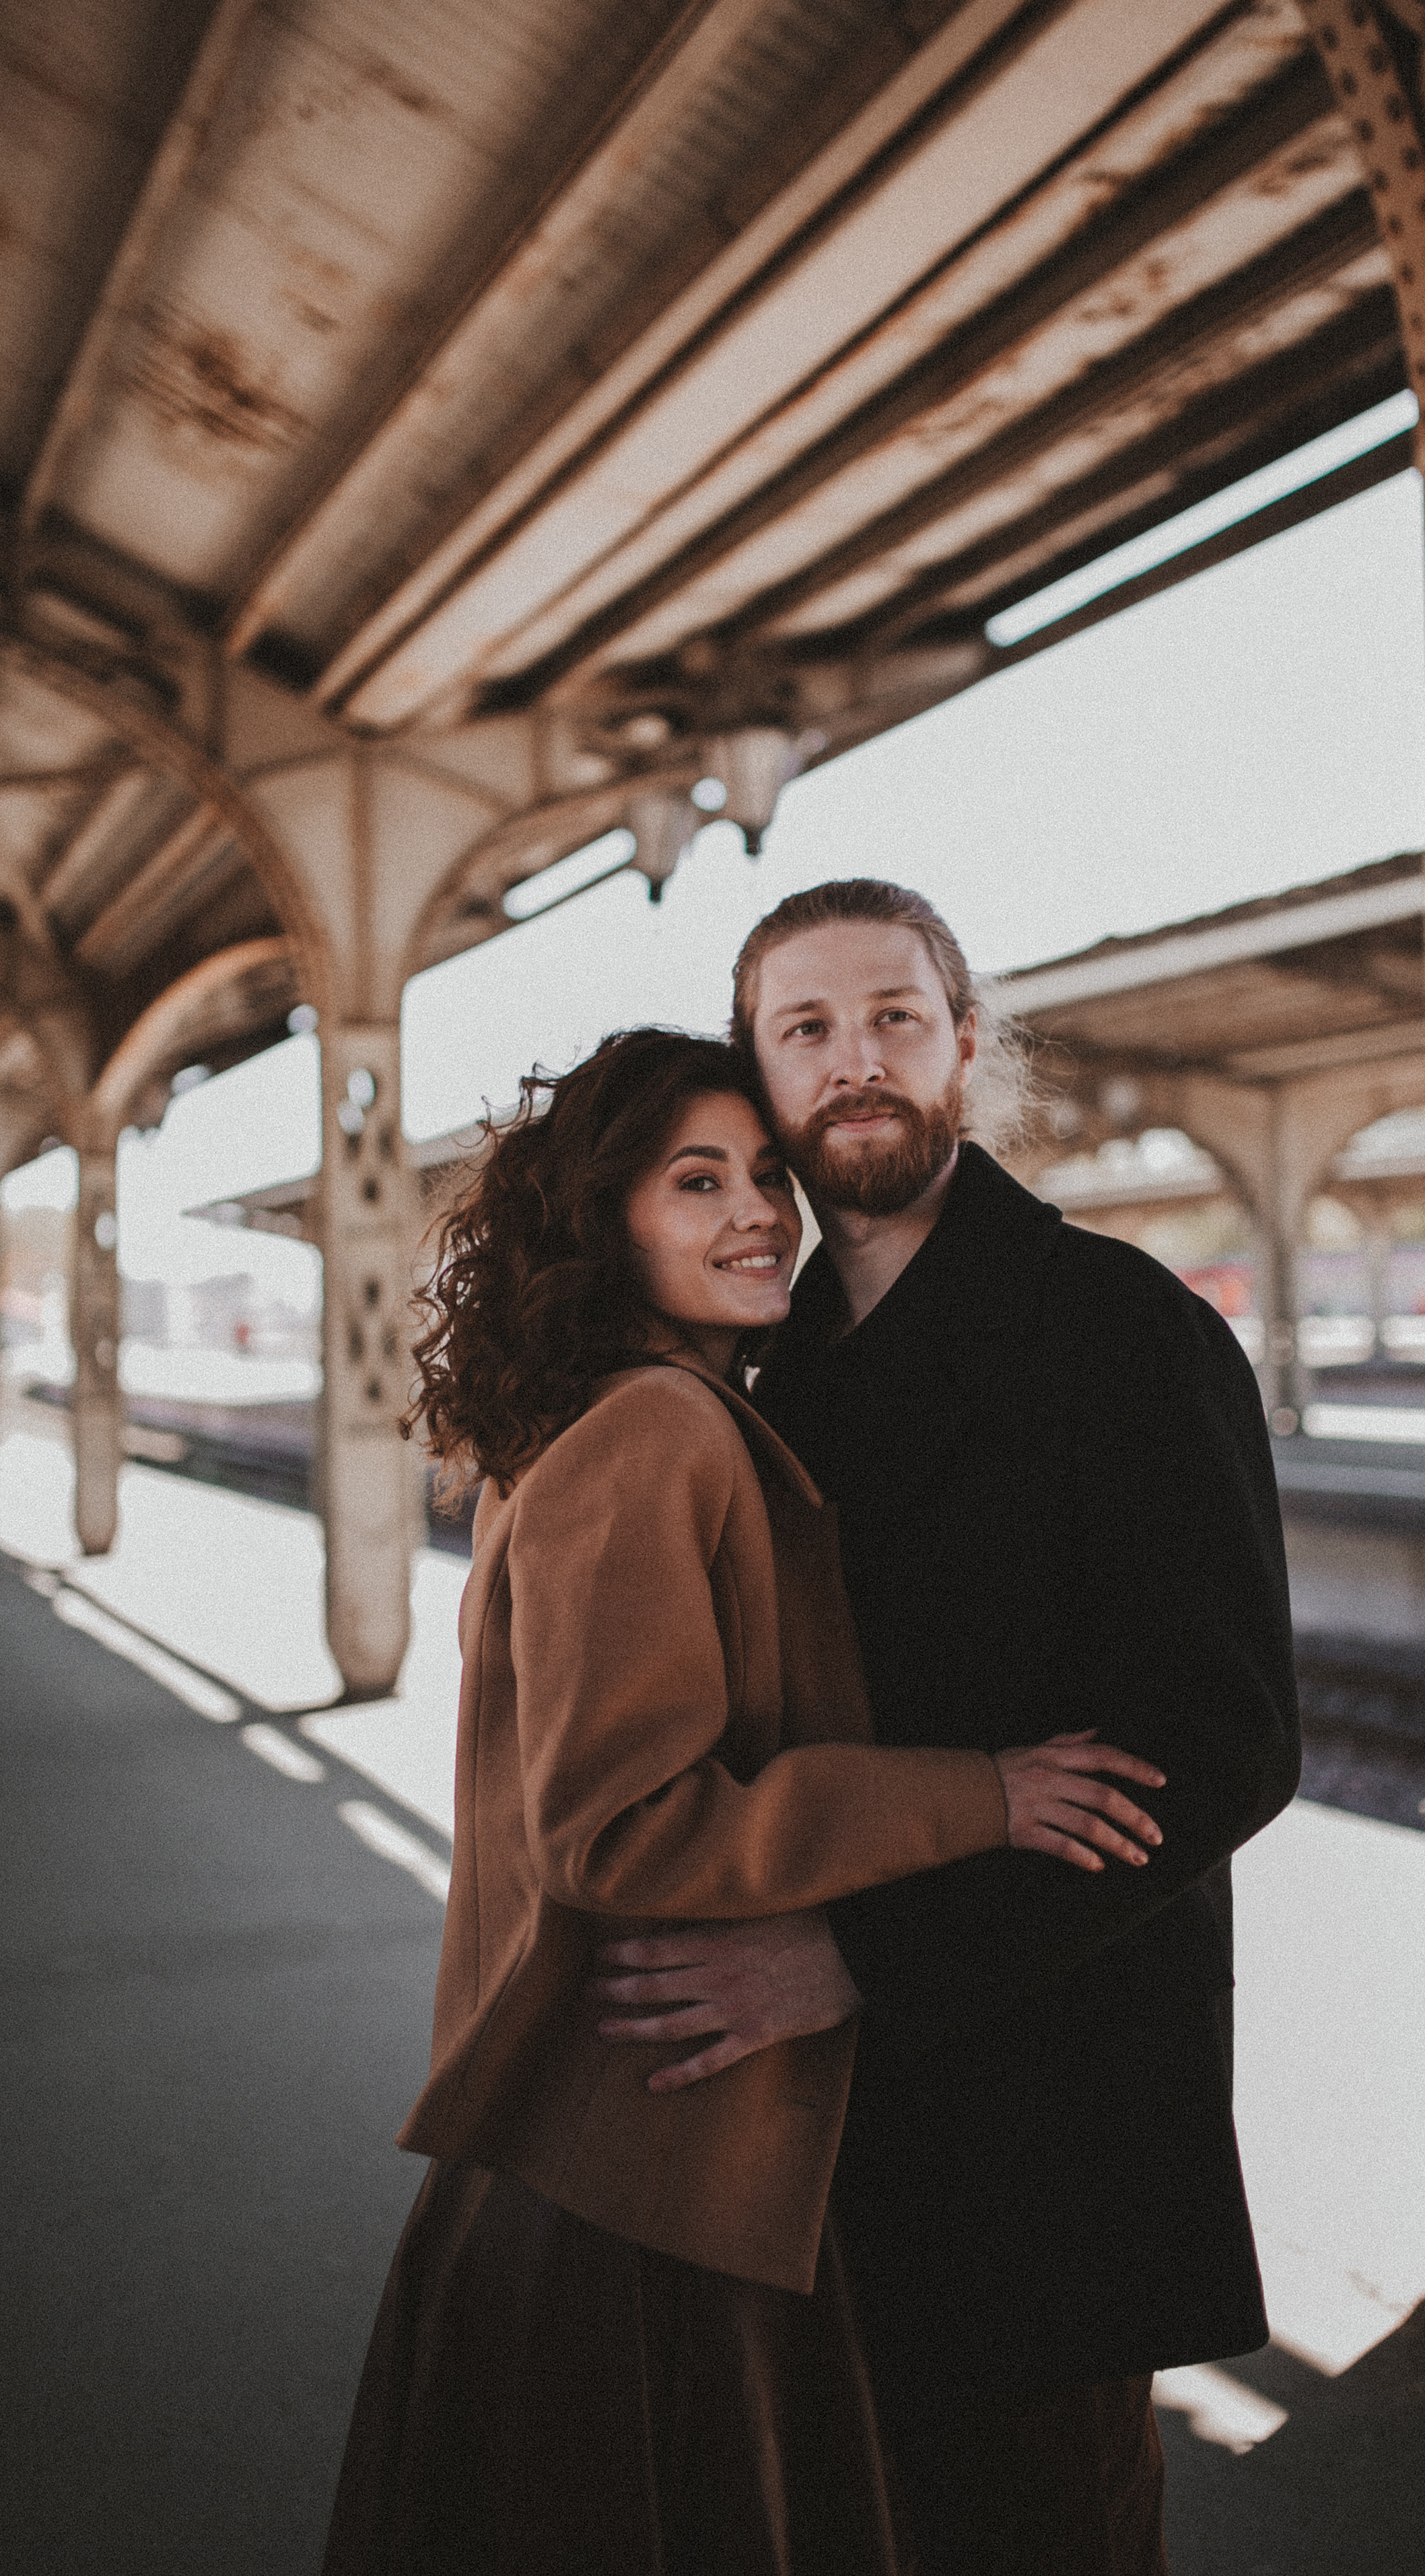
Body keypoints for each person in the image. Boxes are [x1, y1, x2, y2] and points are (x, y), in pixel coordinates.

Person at [321, 1026, 1169, 2576]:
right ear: (605, 1219)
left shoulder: (610, 1418)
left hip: (603, 2152)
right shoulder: (652, 1432)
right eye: (694, 1180)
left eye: (768, 1175)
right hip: (646, 2185)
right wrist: (977, 1797)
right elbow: (620, 1827)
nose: (759, 1211)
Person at [594, 890, 1302, 2576]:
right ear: (760, 1079)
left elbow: (1223, 1741)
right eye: (809, 1032)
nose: (860, 1066)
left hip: (1043, 2128)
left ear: (968, 1049)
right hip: (806, 2136)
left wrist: (861, 1960)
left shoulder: (1125, 1333)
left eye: (898, 1019)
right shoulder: (751, 1360)